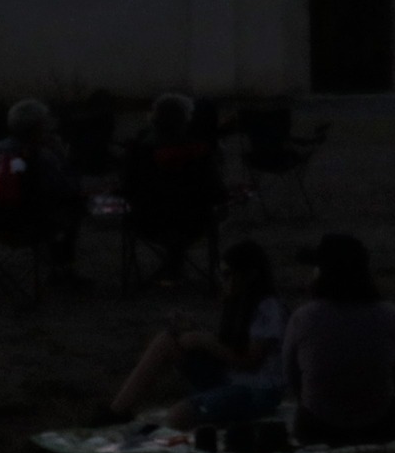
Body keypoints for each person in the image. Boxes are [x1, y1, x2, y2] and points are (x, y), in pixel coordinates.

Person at [99, 241, 288, 428]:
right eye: (220, 274)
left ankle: (209, 409)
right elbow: (230, 346)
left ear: (250, 275)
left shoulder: (267, 308)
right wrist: (196, 330)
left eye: (228, 274)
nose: (223, 280)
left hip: (256, 391)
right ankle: (117, 411)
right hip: (230, 378)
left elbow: (250, 361)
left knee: (178, 416)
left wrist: (205, 341)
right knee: (167, 340)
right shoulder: (239, 302)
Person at [282, 233, 395, 447]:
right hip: (382, 426)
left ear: (321, 273)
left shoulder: (304, 318)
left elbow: (291, 373)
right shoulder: (389, 314)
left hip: (317, 428)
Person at [118, 93, 223, 284]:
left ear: (155, 118)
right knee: (215, 211)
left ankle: (171, 265)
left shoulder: (138, 151)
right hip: (193, 222)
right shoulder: (199, 151)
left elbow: (126, 188)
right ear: (187, 119)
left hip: (147, 222)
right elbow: (215, 191)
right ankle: (180, 265)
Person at [0, 97, 84, 280]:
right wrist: (62, 157)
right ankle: (63, 269)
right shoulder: (39, 157)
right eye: (45, 124)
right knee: (74, 207)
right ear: (37, 128)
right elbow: (65, 188)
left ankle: (59, 267)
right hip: (27, 223)